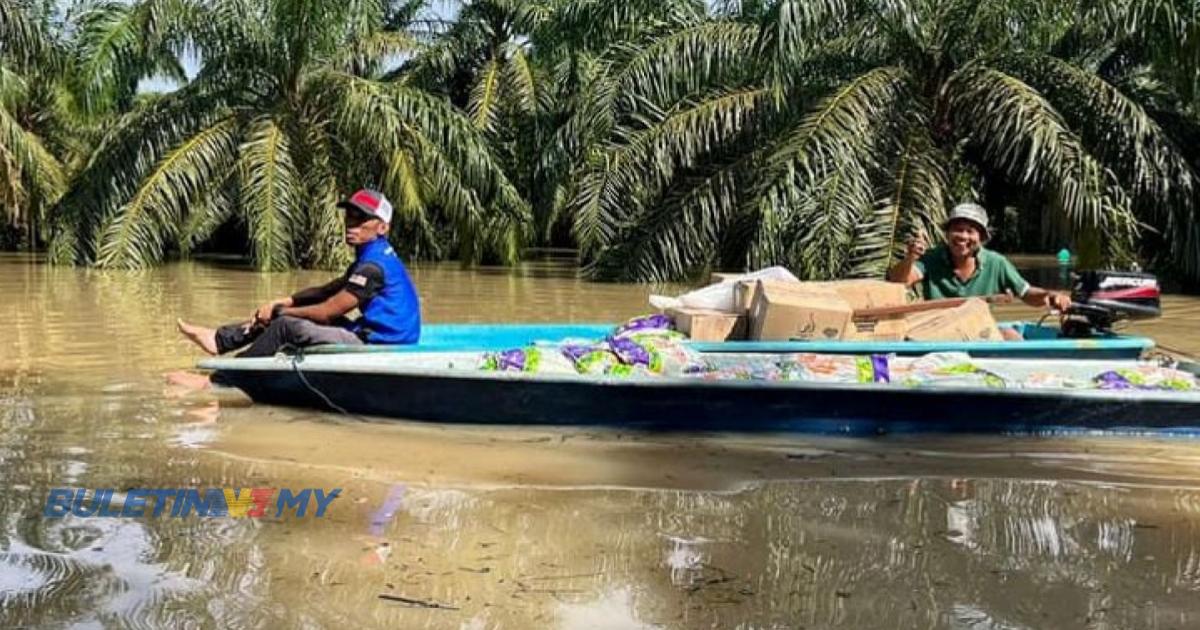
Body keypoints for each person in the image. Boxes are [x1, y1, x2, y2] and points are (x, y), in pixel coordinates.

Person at [177, 189, 421, 358]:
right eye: (349, 216)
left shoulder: (373, 266)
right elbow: (327, 291)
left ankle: (222, 379)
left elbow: (327, 312)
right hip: (374, 332)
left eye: (361, 219)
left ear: (383, 227)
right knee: (284, 313)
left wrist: (279, 312)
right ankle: (220, 340)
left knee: (286, 326)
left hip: (383, 343)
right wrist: (282, 301)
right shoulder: (373, 254)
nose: (351, 223)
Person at [887, 202, 1072, 311]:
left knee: (1012, 336)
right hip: (939, 330)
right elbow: (898, 281)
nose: (963, 237)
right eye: (958, 230)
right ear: (948, 234)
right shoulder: (931, 258)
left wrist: (1051, 295)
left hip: (979, 332)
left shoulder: (996, 263)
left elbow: (1026, 293)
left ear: (981, 238)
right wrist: (910, 258)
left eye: (970, 231)